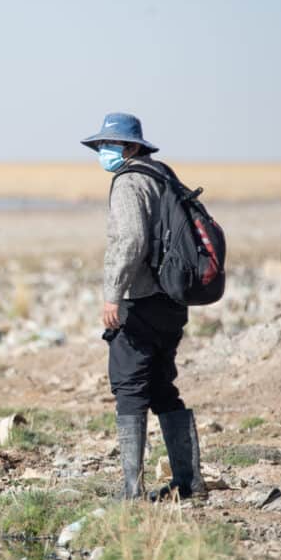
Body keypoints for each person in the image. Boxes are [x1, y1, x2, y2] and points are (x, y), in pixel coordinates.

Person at [80, 112, 207, 501]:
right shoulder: (162, 175)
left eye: (110, 144)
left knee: (129, 387)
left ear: (131, 147)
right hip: (172, 299)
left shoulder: (129, 182)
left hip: (140, 300)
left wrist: (112, 294)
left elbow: (130, 241)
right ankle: (190, 484)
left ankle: (132, 491)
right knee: (162, 387)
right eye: (101, 145)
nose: (104, 151)